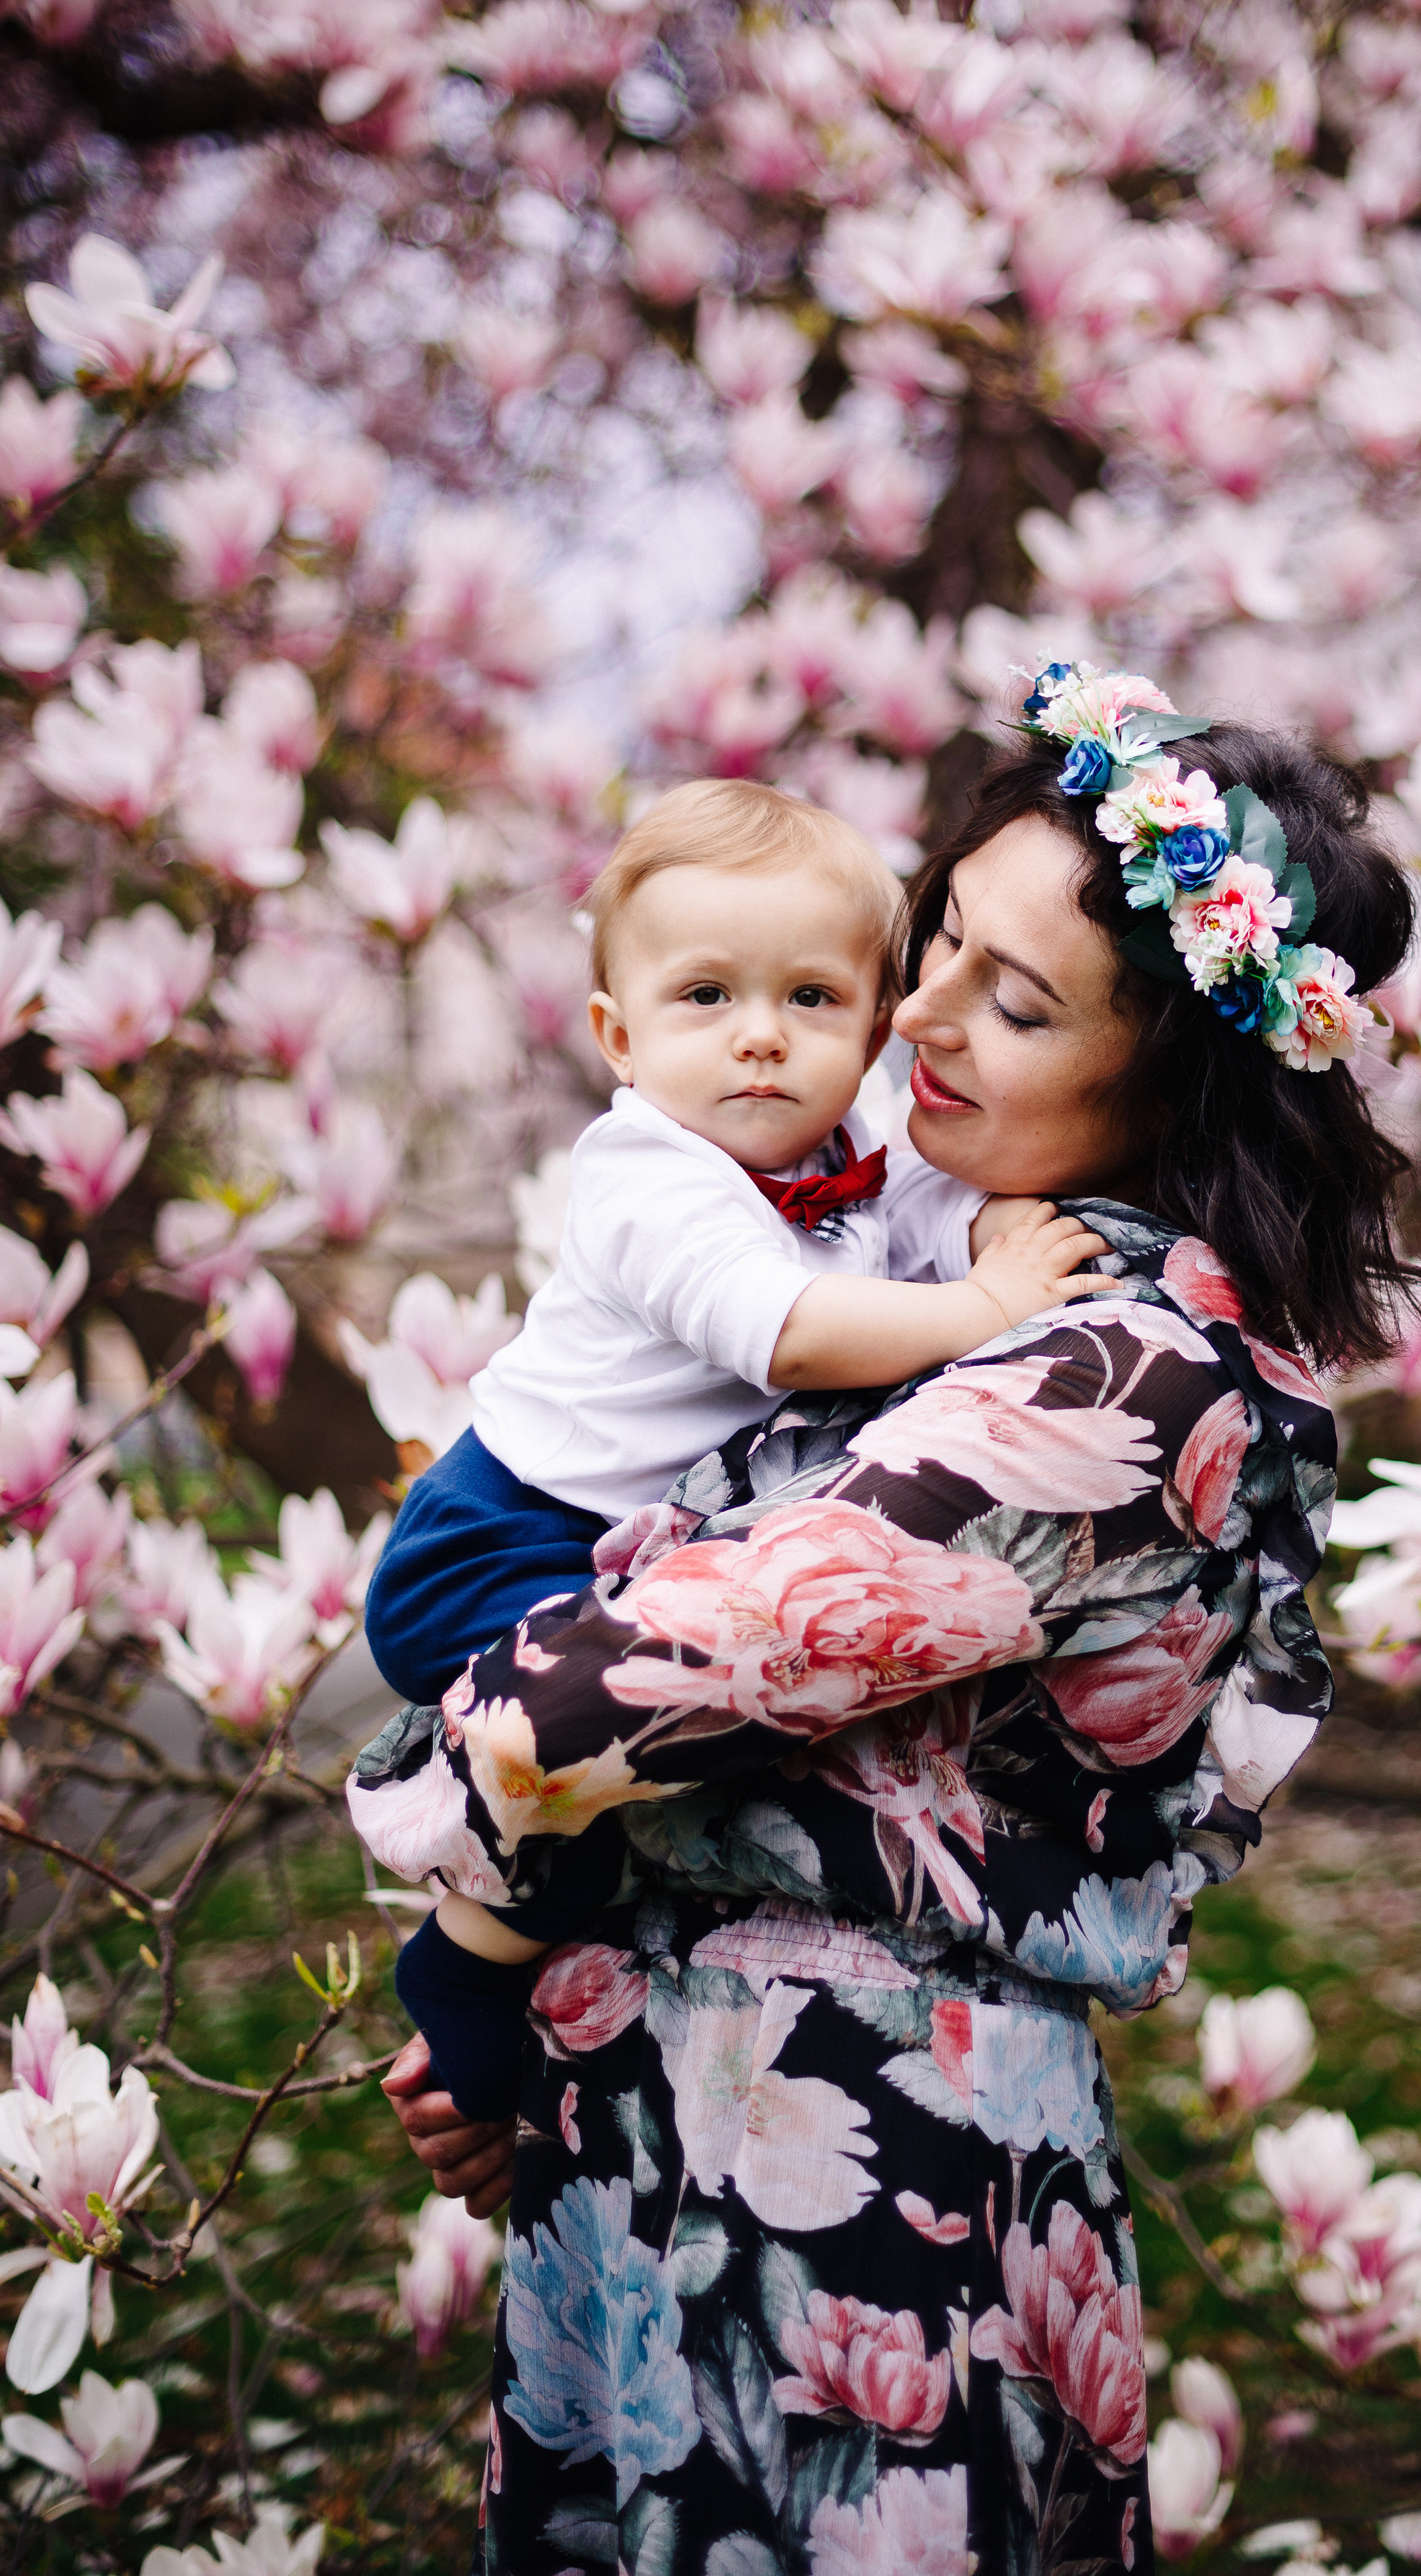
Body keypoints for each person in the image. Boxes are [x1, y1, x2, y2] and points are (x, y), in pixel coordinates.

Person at [364, 673, 1421, 2576]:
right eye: (934, 935)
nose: (909, 1014)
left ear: (1169, 1078)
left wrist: (467, 1922)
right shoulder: (941, 1240)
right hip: (677, 2107)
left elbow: (566, 1706)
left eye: (1014, 1003)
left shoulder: (1122, 1382)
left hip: (854, 2178)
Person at [368, 779, 1117, 2107]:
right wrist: (987, 1309)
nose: (762, 1039)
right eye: (706, 998)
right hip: (501, 1531)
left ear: (876, 1022)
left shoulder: (842, 1154)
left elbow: (923, 1228)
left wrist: (992, 1239)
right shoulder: (648, 1175)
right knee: (606, 1772)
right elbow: (791, 1330)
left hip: (618, 1535)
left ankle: (532, 1992)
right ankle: (467, 1954)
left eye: (812, 1000)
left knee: (659, 1768)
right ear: (618, 1034)